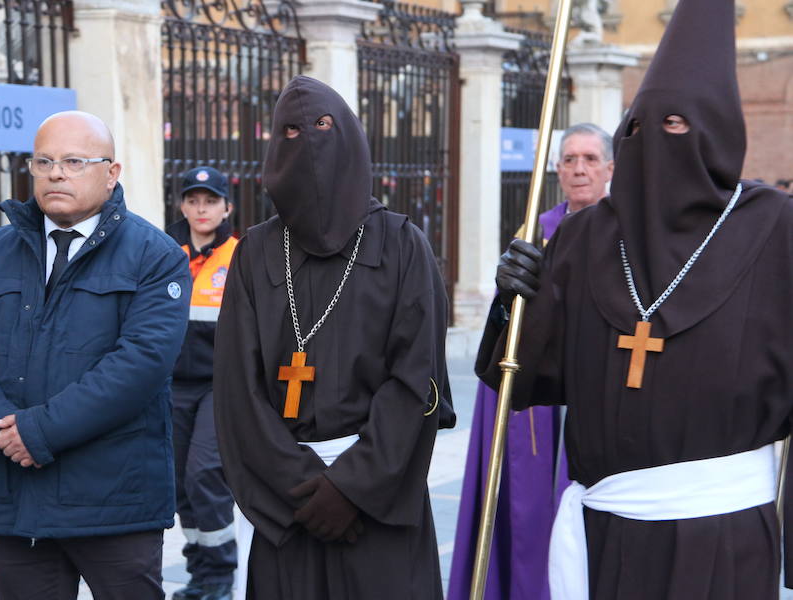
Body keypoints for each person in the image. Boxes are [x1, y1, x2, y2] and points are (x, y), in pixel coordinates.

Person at [477, 0, 793, 598]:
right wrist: (511, 302)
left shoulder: (774, 229)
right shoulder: (585, 235)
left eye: (676, 125)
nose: (656, 142)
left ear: (719, 131)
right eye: (640, 127)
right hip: (606, 535)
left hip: (720, 539)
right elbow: (525, 380)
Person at [212, 75, 455, 600]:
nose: (311, 143)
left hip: (379, 509)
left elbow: (417, 381)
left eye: (324, 125)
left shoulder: (403, 244)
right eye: (293, 131)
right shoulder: (254, 253)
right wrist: (304, 494)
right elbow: (238, 391)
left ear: (351, 136)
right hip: (289, 509)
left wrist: (351, 490)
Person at [0, 111, 192, 600]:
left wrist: (38, 431)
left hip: (114, 500)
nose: (55, 173)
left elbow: (140, 365)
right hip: (18, 498)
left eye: (74, 161)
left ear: (111, 172)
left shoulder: (155, 256)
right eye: (44, 161)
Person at [448, 123, 613, 600]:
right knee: (524, 504)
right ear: (557, 169)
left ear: (609, 168)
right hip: (541, 391)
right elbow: (509, 316)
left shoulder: (625, 233)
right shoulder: (535, 233)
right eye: (569, 159)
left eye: (589, 158)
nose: (578, 168)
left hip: (599, 383)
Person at [167, 166, 238, 600]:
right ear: (182, 206)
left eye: (210, 201)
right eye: (193, 200)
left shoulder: (241, 255)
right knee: (177, 482)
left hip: (220, 386)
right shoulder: (167, 252)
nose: (201, 209)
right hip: (174, 385)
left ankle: (221, 577)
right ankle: (200, 574)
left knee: (205, 474)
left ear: (227, 207)